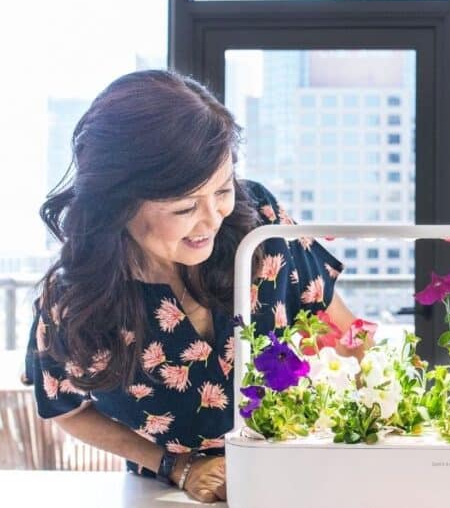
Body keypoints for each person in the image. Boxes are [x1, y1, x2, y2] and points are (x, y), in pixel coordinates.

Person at [22, 70, 357, 503]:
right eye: (184, 207)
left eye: (223, 190)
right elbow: (66, 409)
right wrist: (177, 468)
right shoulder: (75, 299)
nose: (213, 219)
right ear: (119, 203)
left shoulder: (262, 224)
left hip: (299, 481)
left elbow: (346, 334)